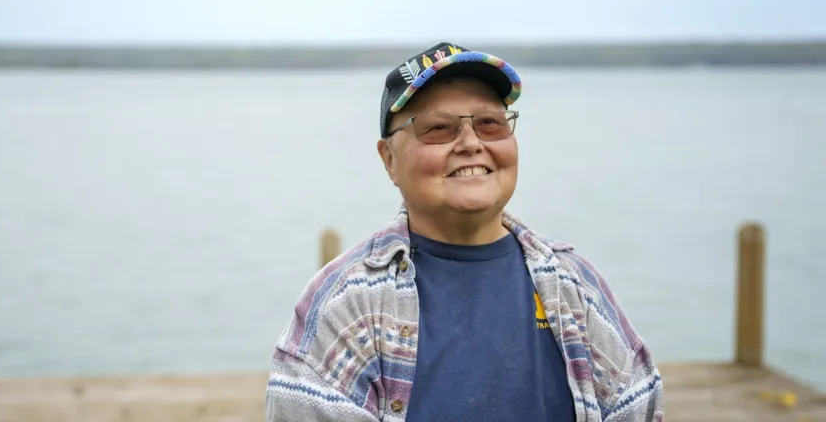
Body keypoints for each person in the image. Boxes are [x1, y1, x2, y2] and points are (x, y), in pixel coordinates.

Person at [265, 42, 664, 421]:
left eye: (490, 123)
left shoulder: (576, 287)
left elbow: (637, 406)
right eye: (438, 128)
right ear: (389, 160)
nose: (471, 143)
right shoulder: (343, 308)